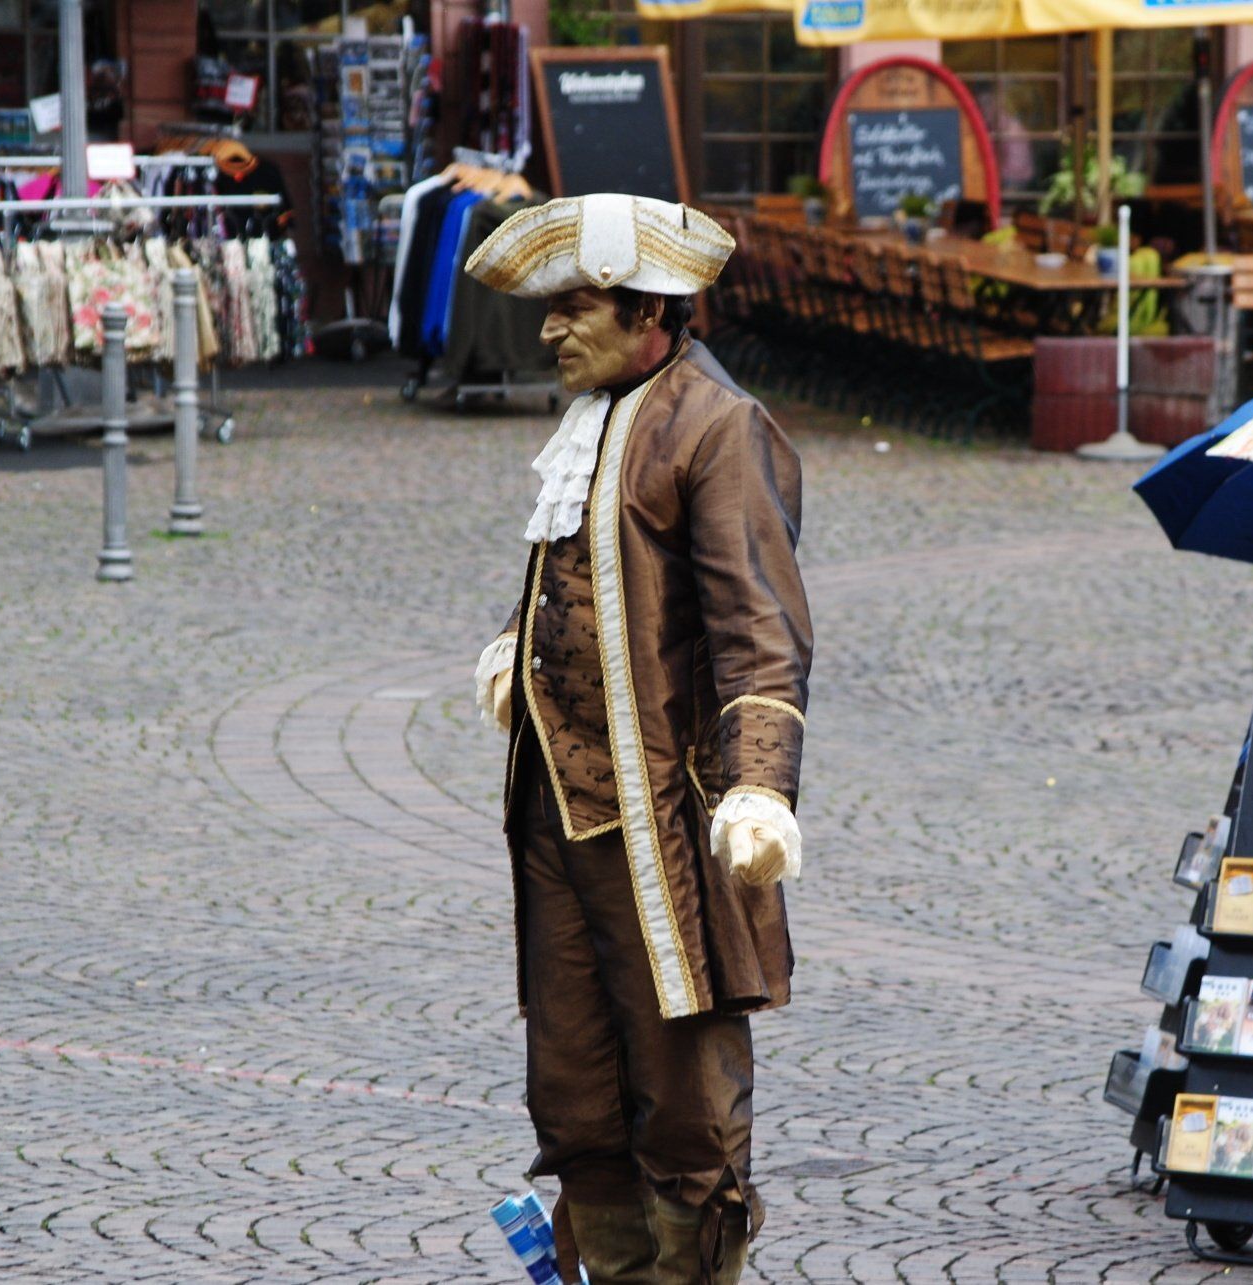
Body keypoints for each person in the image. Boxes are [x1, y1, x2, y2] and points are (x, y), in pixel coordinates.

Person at [468, 194, 811, 1283]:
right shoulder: (599, 414)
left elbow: (760, 629)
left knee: (686, 1105)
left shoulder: (719, 425)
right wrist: (518, 645)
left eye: (575, 308)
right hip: (553, 818)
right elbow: (593, 577)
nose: (550, 331)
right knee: (573, 1092)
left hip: (661, 829)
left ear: (651, 311)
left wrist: (761, 788)